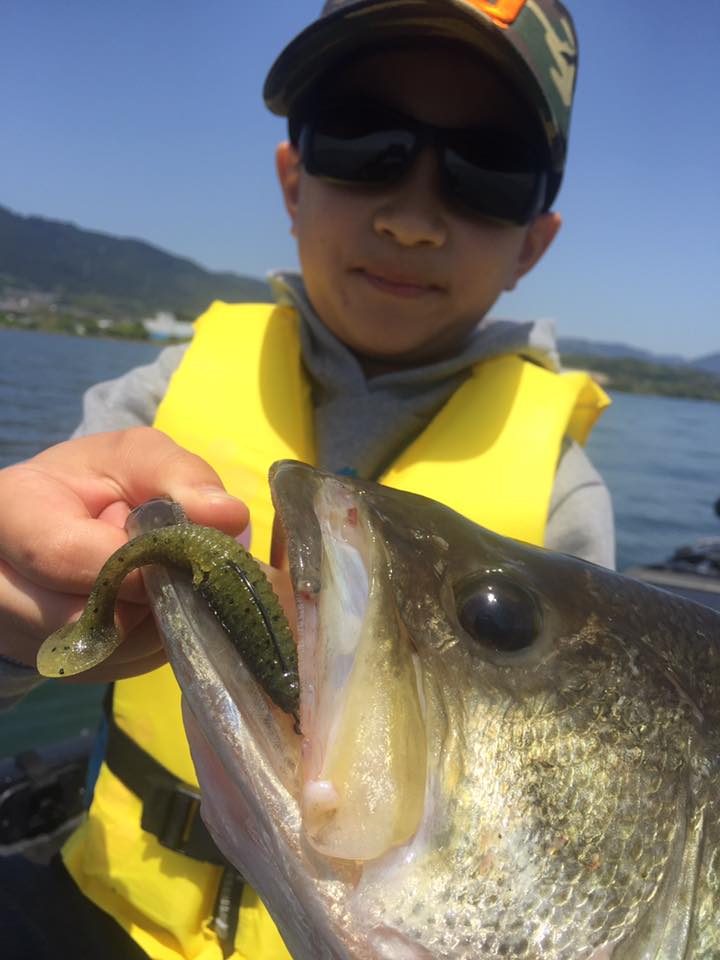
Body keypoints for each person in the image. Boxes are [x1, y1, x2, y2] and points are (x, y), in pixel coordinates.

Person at [0, 1, 614, 958]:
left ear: (533, 241)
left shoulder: (564, 501)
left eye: (486, 171)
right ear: (293, 183)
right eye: (364, 140)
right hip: (104, 914)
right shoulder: (149, 402)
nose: (412, 219)